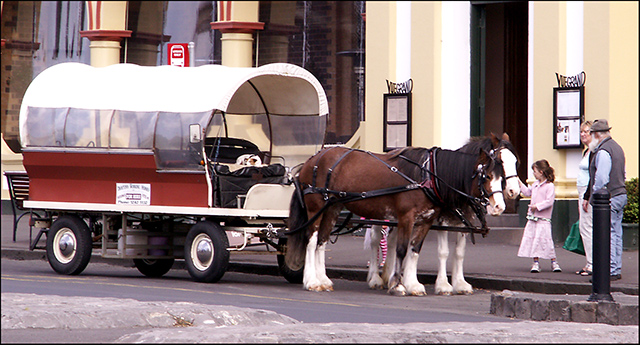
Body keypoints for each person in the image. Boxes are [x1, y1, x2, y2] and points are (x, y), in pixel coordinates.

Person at [582, 119, 627, 281]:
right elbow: (623, 173)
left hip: (610, 197)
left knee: (609, 234)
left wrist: (595, 196)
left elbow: (601, 178)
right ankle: (615, 267)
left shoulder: (603, 151)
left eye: (591, 134)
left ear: (597, 135)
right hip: (620, 193)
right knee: (616, 232)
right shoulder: (617, 148)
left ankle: (612, 270)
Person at [517, 159, 562, 273]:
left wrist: (536, 206)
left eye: (535, 171)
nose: (534, 173)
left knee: (547, 240)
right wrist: (519, 183)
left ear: (541, 172)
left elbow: (549, 201)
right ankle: (536, 263)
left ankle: (554, 262)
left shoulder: (549, 186)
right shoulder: (535, 184)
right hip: (533, 219)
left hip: (543, 219)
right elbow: (527, 192)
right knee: (534, 241)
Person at [576, 121, 594, 276]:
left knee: (586, 227)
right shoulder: (586, 151)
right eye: (581, 131)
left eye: (586, 132)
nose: (582, 134)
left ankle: (592, 263)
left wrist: (586, 197)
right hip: (582, 192)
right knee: (585, 227)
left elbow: (593, 175)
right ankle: (590, 261)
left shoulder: (594, 152)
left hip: (587, 193)